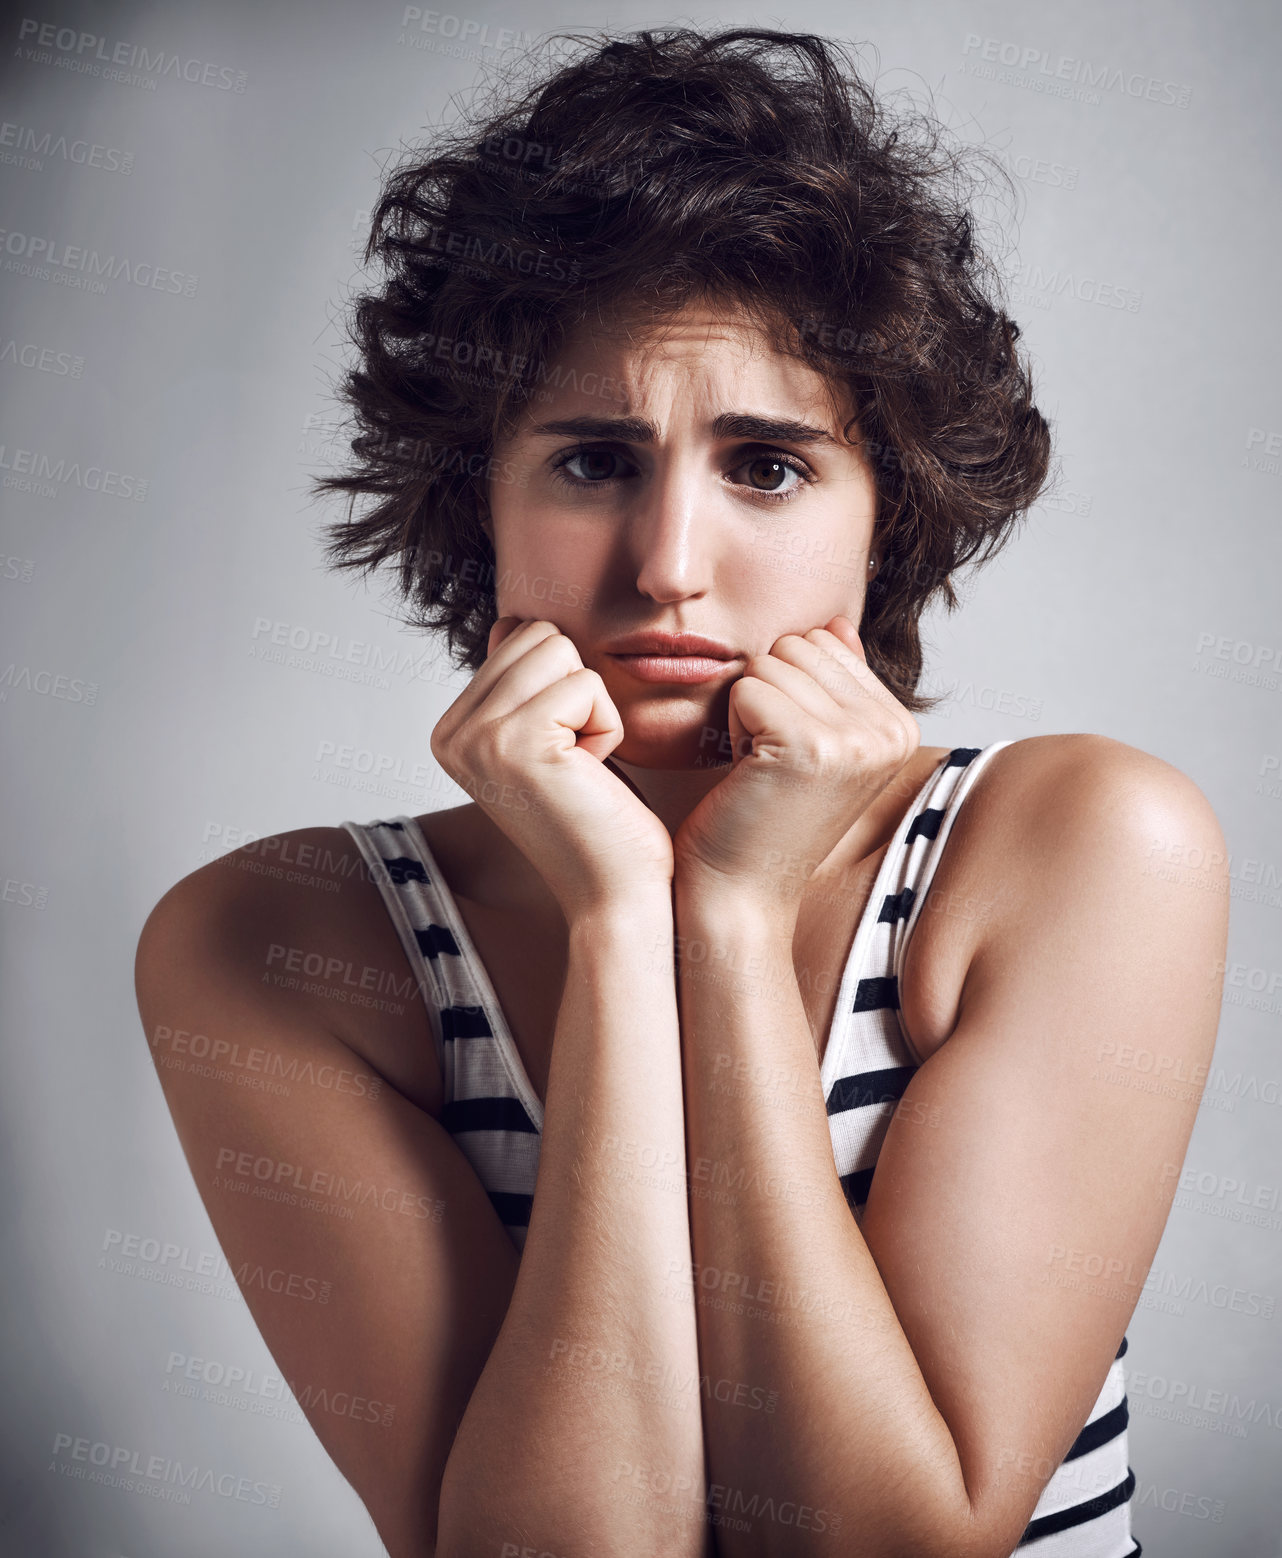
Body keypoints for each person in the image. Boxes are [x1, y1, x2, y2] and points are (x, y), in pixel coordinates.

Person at [134, 26, 1228, 1558]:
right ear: (478, 498)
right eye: (591, 460)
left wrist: (723, 920)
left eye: (767, 466)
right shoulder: (274, 939)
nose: (665, 565)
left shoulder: (1076, 845)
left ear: (885, 511)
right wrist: (615, 926)